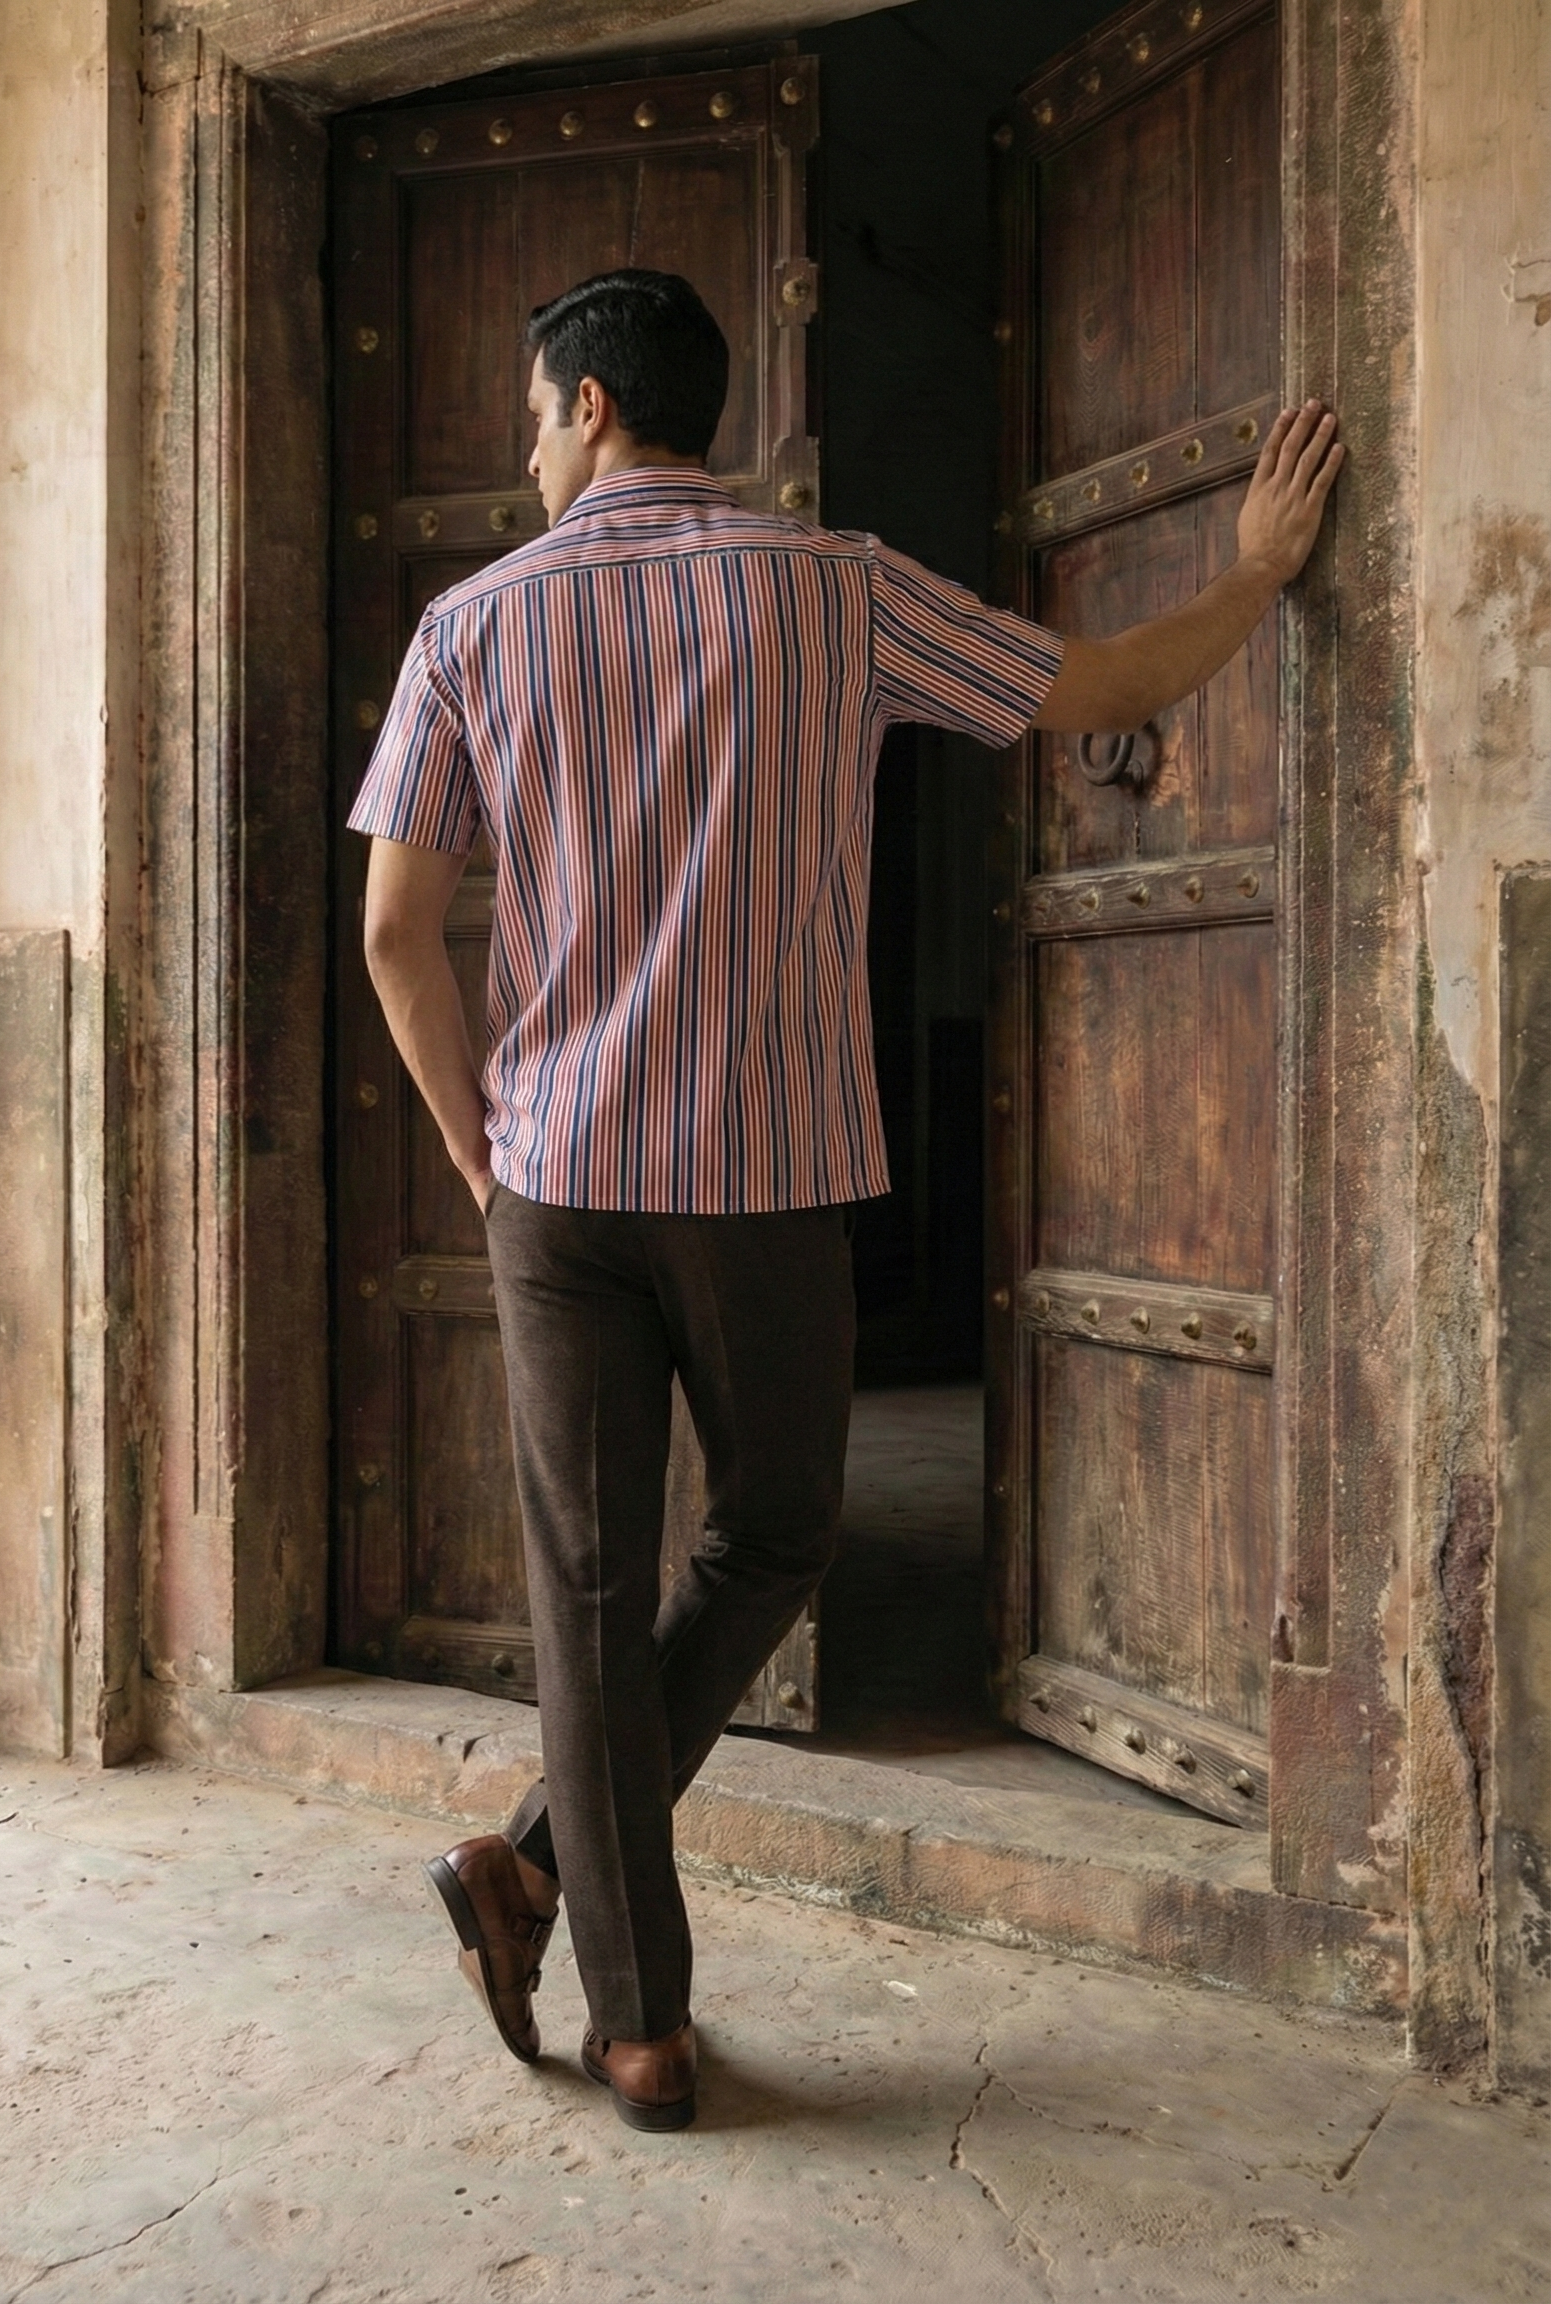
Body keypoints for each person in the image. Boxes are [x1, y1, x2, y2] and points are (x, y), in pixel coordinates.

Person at [347, 269, 1343, 2133]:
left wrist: (482, 1148)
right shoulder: (837, 585)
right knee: (778, 1534)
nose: (526, 443)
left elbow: (398, 932)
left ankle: (604, 1974)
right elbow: (1099, 690)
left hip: (555, 1180)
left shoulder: (473, 622)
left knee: (581, 1592)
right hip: (765, 1174)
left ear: (581, 405)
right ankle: (563, 1908)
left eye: (529, 412)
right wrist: (1260, 569)